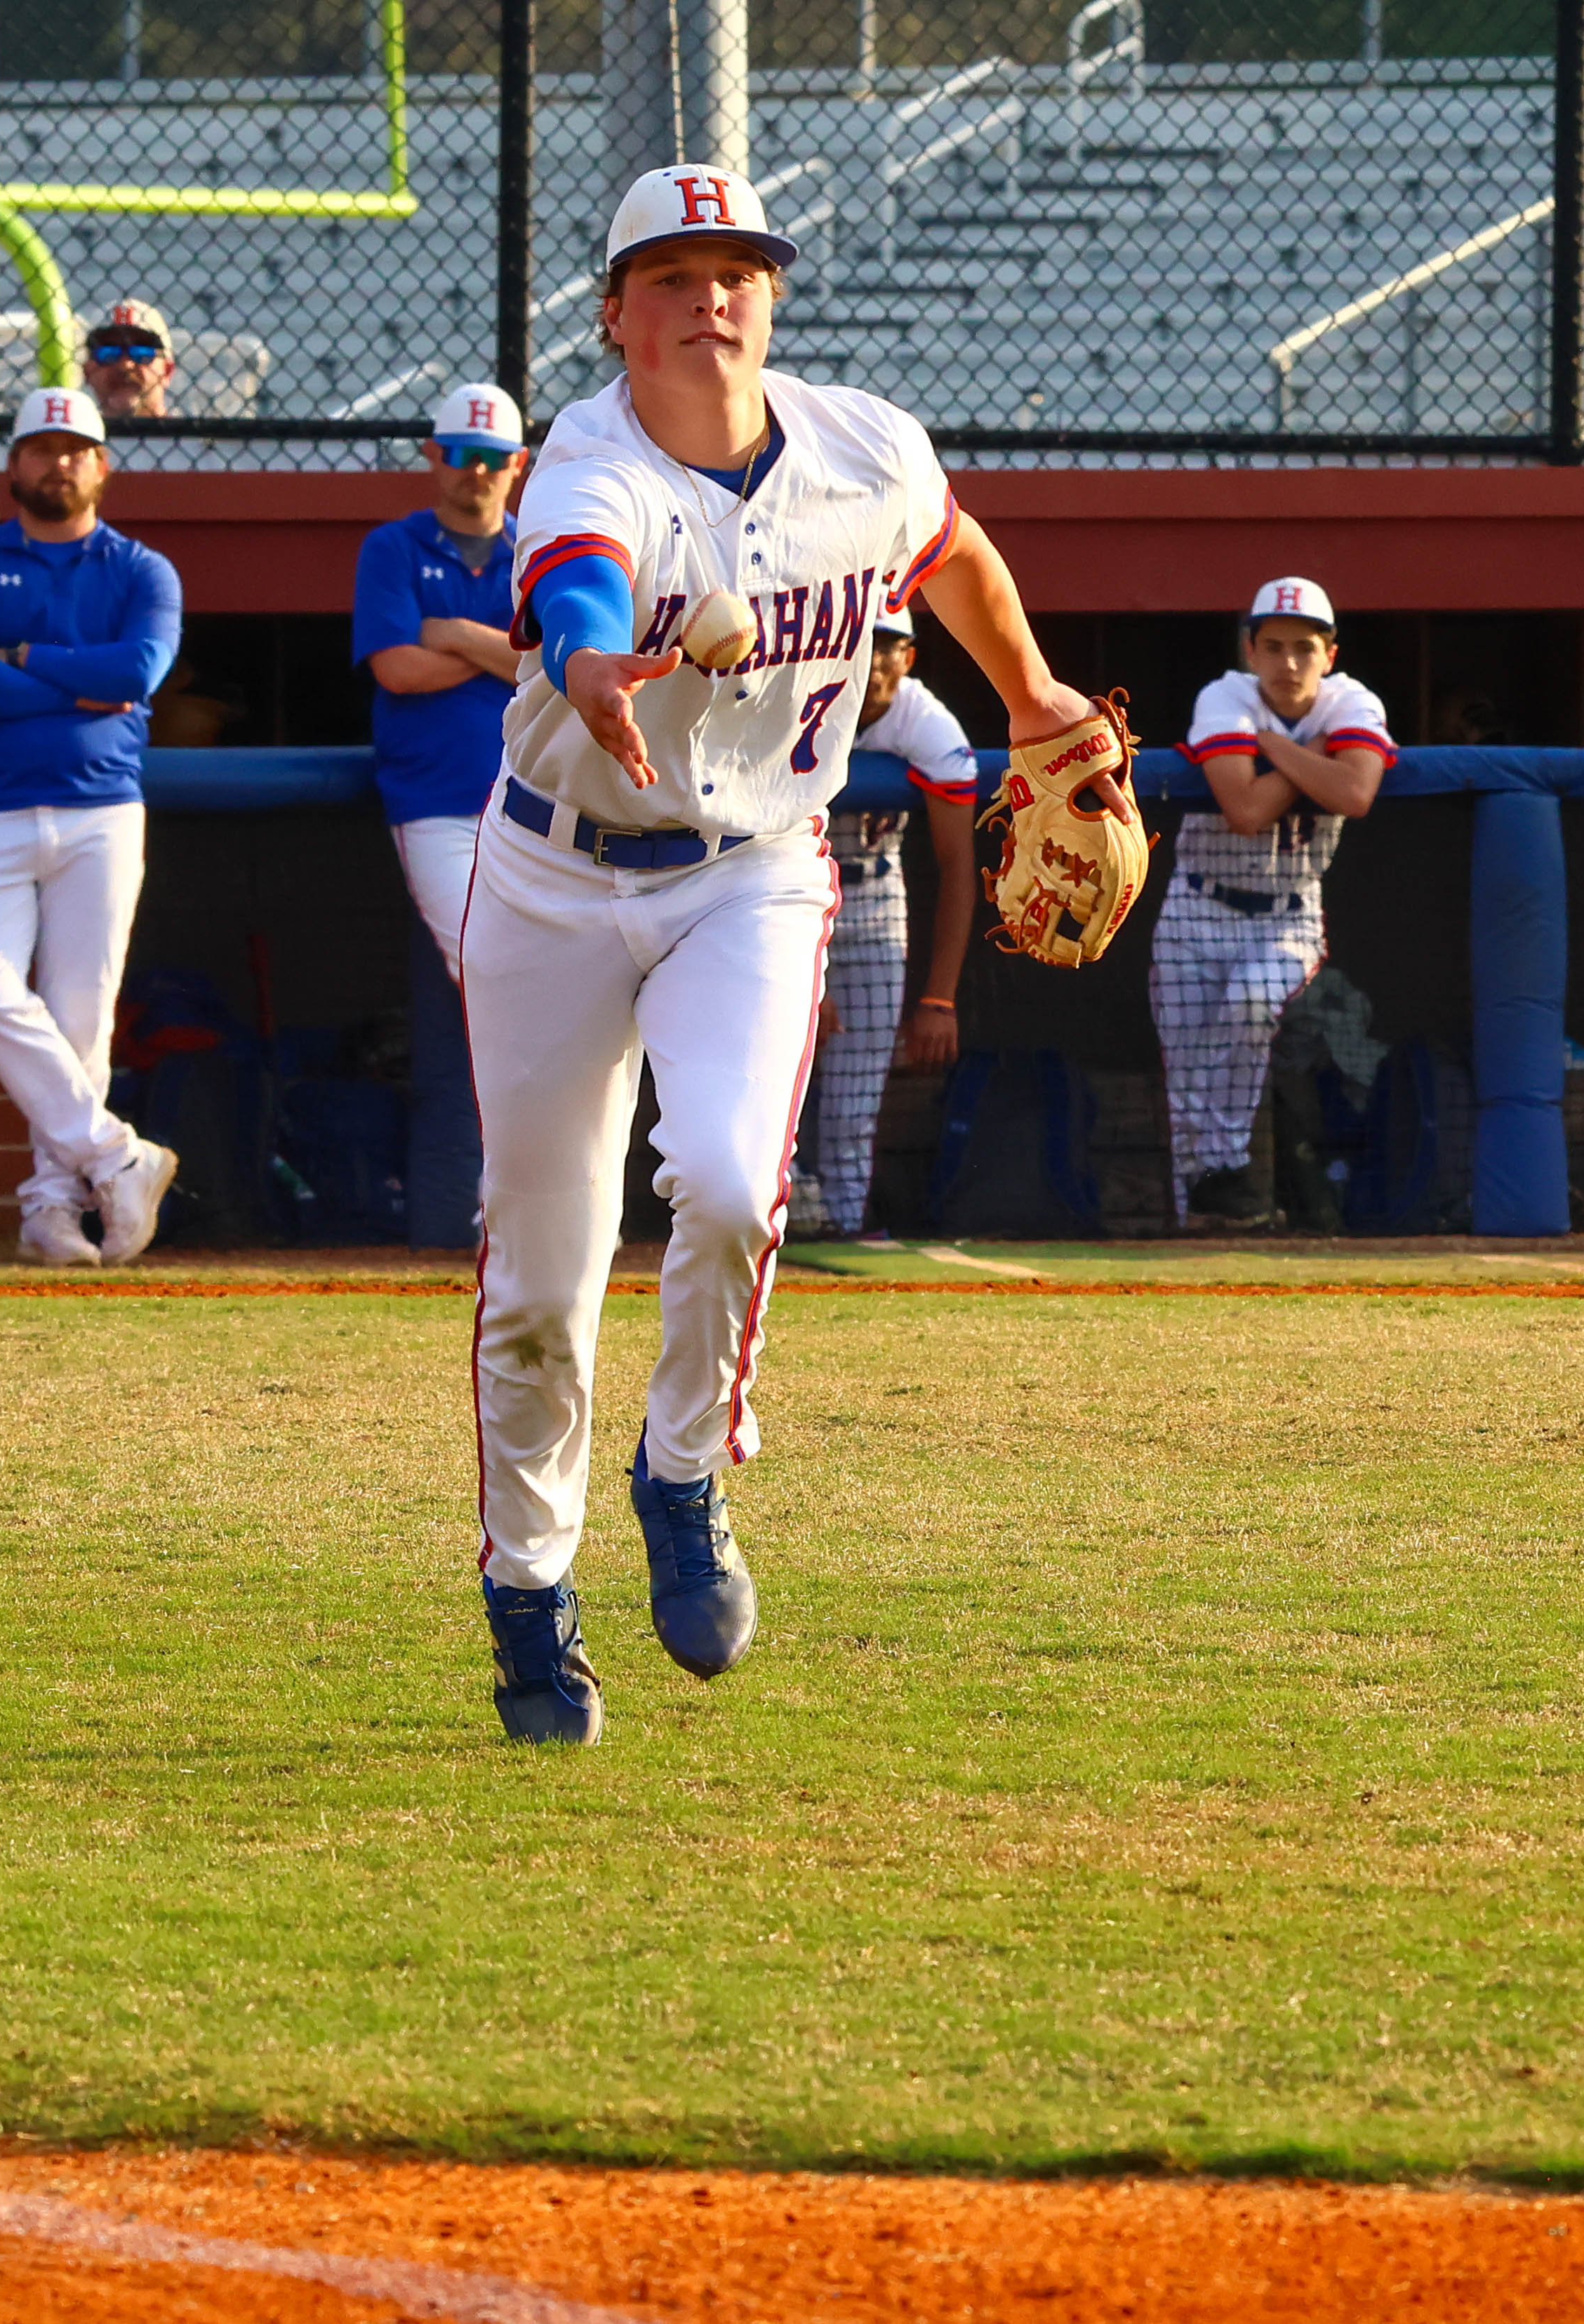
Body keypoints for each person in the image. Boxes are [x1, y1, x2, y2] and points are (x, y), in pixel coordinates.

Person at [474, 162, 1112, 1745]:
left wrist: (1029, 693)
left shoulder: (864, 445)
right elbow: (577, 583)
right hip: (554, 880)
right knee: (543, 1289)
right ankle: (530, 1595)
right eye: (675, 274)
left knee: (739, 1190)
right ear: (617, 314)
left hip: (753, 871)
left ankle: (685, 1469)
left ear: (772, 298)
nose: (712, 298)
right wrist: (597, 667)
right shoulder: (586, 462)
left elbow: (948, 548)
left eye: (739, 268)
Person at [0, 387, 184, 1270]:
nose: (57, 461)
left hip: (101, 806)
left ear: (102, 466)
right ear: (13, 466)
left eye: (75, 448)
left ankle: (51, 1208)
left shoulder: (143, 570)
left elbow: (140, 668)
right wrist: (82, 683)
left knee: (81, 1016)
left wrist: (27, 656)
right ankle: (118, 1156)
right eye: (41, 447)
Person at [1159, 576, 1395, 1231]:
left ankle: (1229, 1170)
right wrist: (1314, 758)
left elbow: (1356, 795)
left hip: (1287, 913)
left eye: (1304, 648)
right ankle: (1195, 1227)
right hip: (1195, 909)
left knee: (1252, 1004)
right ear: (1250, 649)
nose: (1289, 663)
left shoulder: (1350, 700)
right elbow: (1244, 811)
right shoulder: (1224, 696)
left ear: (1330, 653)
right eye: (1274, 646)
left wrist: (1278, 748)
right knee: (1185, 1078)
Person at [352, 381, 529, 1246]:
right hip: (431, 804)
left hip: (533, 803)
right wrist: (497, 648)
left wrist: (450, 632)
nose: (477, 474)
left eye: (494, 459)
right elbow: (395, 670)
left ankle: (525, 1194)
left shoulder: (536, 549)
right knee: (489, 975)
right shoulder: (393, 547)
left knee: (531, 984)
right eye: (462, 455)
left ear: (518, 466)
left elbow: (548, 670)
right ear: (434, 457)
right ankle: (509, 1193)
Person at [798, 612, 978, 1239]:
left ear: (909, 657)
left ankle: (843, 1232)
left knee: (855, 1103)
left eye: (887, 648)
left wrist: (939, 998)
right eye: (860, 645)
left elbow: (958, 866)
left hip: (874, 900)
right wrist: (808, 978)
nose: (872, 664)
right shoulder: (797, 693)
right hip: (789, 894)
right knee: (770, 1086)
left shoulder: (927, 724)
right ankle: (770, 1227)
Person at [80, 300, 178, 425]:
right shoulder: (75, 444)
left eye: (142, 354)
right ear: (87, 372)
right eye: (109, 353)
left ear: (167, 371)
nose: (125, 366)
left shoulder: (197, 443)